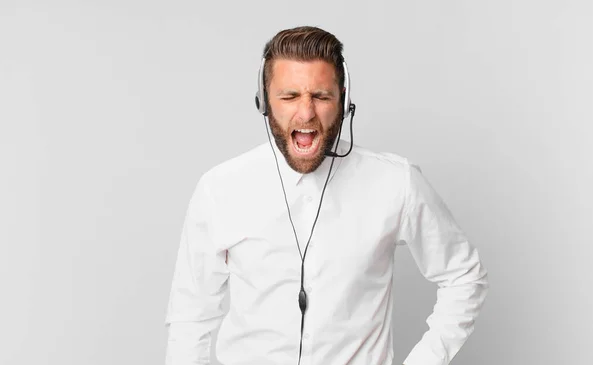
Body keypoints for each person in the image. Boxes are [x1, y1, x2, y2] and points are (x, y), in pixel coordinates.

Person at [164, 26, 489, 365]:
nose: (305, 114)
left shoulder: (396, 181)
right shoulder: (220, 188)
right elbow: (191, 315)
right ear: (264, 101)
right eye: (289, 97)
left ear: (343, 99)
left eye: (320, 96)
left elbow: (465, 277)